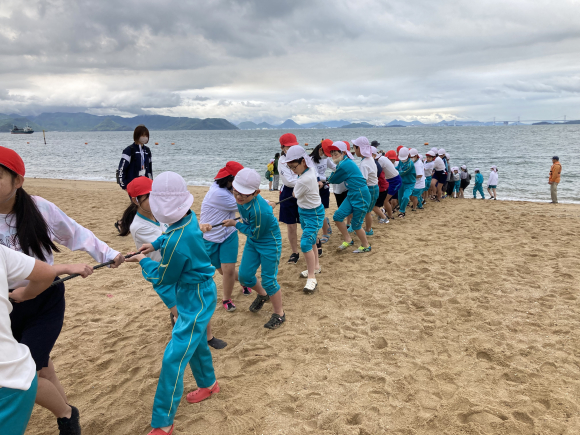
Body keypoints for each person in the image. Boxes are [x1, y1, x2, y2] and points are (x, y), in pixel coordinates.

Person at [0, 146, 124, 434]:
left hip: (46, 298)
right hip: (7, 304)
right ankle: (66, 410)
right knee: (40, 366)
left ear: (18, 181)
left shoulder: (41, 208)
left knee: (28, 370)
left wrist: (108, 254)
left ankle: (67, 415)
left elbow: (76, 233)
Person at [128, 171, 220, 435]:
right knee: (197, 340)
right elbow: (173, 231)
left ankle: (163, 422)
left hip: (196, 295)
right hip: (195, 291)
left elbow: (162, 277)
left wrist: (141, 260)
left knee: (173, 357)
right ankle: (209, 383)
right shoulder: (187, 218)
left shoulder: (178, 244)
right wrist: (153, 244)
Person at [120, 176, 228, 349]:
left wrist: (197, 228)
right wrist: (194, 231)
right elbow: (172, 241)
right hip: (162, 270)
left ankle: (208, 337)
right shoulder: (139, 226)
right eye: (149, 197)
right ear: (136, 200)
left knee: (197, 305)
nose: (155, 201)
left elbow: (176, 230)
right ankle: (187, 337)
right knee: (184, 315)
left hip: (180, 267)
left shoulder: (161, 212)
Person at [0, 245, 74, 435]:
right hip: (12, 306)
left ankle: (66, 415)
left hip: (40, 299)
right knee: (42, 367)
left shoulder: (36, 215)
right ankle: (67, 415)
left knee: (32, 370)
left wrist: (25, 294)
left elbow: (72, 231)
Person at [223, 168, 286, 329]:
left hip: (269, 243)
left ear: (256, 192)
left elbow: (254, 233)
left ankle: (279, 314)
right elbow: (259, 207)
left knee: (269, 279)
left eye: (244, 195)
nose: (238, 197)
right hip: (253, 241)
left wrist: (235, 224)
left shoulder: (260, 212)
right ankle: (263, 295)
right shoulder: (244, 201)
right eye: (236, 192)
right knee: (244, 276)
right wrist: (268, 202)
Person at [200, 161, 251, 315]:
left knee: (228, 270)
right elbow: (244, 204)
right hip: (210, 238)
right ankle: (244, 281)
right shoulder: (218, 193)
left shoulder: (228, 190)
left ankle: (226, 299)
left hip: (229, 234)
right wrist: (267, 203)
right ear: (229, 179)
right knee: (223, 271)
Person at [285, 146, 324, 293]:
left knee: (305, 243)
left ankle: (312, 278)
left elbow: (295, 194)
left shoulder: (304, 180)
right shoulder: (309, 169)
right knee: (312, 240)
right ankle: (315, 267)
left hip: (313, 213)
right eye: (289, 168)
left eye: (294, 167)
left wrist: (296, 189)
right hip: (305, 211)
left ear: (303, 161)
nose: (292, 171)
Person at [325, 141, 372, 253]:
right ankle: (348, 239)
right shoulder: (344, 162)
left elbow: (333, 179)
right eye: (332, 154)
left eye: (336, 154)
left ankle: (366, 246)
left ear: (343, 153)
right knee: (337, 216)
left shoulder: (345, 164)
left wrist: (324, 180)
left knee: (356, 225)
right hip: (352, 193)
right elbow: (334, 178)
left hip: (361, 194)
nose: (333, 156)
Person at [277, 133, 301, 264]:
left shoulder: (302, 156)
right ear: (282, 148)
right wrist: (304, 181)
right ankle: (294, 252)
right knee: (291, 225)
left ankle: (316, 242)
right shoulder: (281, 161)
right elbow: (288, 180)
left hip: (303, 190)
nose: (291, 148)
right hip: (289, 192)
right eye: (288, 146)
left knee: (307, 222)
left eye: (293, 145)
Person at [352, 137, 378, 236]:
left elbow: (363, 180)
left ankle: (368, 230)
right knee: (367, 210)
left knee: (367, 211)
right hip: (374, 187)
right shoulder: (369, 158)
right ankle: (367, 228)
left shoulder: (364, 163)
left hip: (370, 188)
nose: (354, 150)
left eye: (354, 148)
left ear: (359, 148)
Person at [310, 141, 335, 244]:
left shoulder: (326, 159)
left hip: (324, 187)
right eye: (325, 154)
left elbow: (334, 167)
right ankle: (326, 227)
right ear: (320, 150)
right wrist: (328, 178)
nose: (326, 156)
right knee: (318, 212)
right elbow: (314, 175)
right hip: (314, 187)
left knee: (322, 211)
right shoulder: (310, 160)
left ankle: (325, 233)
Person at [396, 147, 416, 218]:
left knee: (406, 197)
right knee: (400, 197)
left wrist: (393, 173)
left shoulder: (410, 164)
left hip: (410, 183)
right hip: (402, 182)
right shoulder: (401, 161)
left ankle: (402, 211)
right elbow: (398, 168)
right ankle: (401, 208)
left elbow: (401, 173)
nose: (402, 160)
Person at [372, 146, 389, 224]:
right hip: (383, 187)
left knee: (374, 206)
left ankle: (384, 218)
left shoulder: (375, 165)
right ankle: (382, 215)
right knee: (376, 206)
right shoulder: (376, 163)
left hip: (382, 188)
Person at [382, 150, 402, 218]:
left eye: (393, 159)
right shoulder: (396, 163)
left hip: (395, 181)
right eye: (391, 159)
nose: (392, 161)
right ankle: (391, 210)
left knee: (387, 199)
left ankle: (390, 214)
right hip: (392, 181)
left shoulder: (387, 163)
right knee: (390, 199)